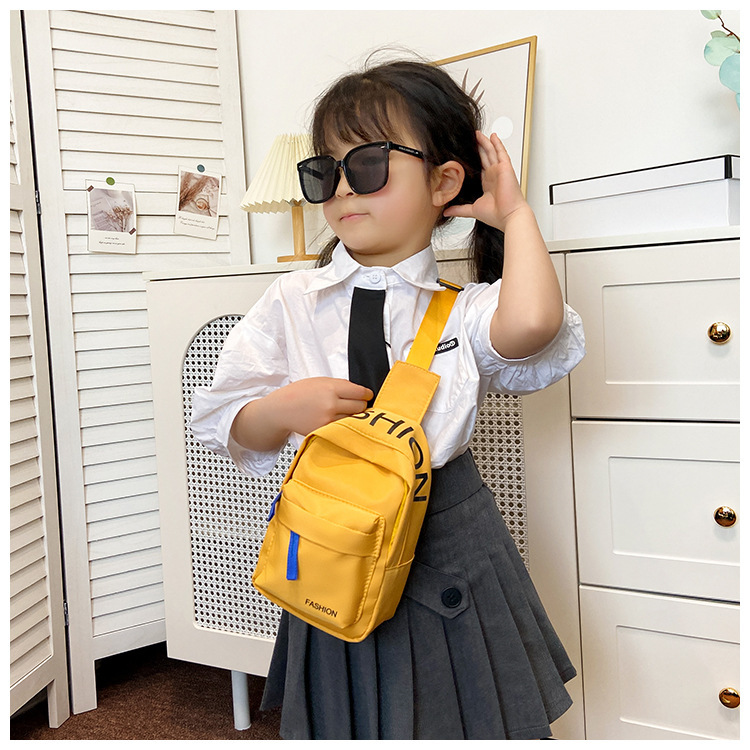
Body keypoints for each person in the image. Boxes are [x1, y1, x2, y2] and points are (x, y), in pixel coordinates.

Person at [190, 57, 585, 740]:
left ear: (443, 182)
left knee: (461, 714)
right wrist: (283, 409)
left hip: (447, 540)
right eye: (326, 171)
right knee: (345, 711)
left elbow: (532, 325)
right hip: (330, 542)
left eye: (369, 164)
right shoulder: (292, 299)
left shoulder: (464, 309)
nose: (344, 187)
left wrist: (515, 215)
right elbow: (228, 420)